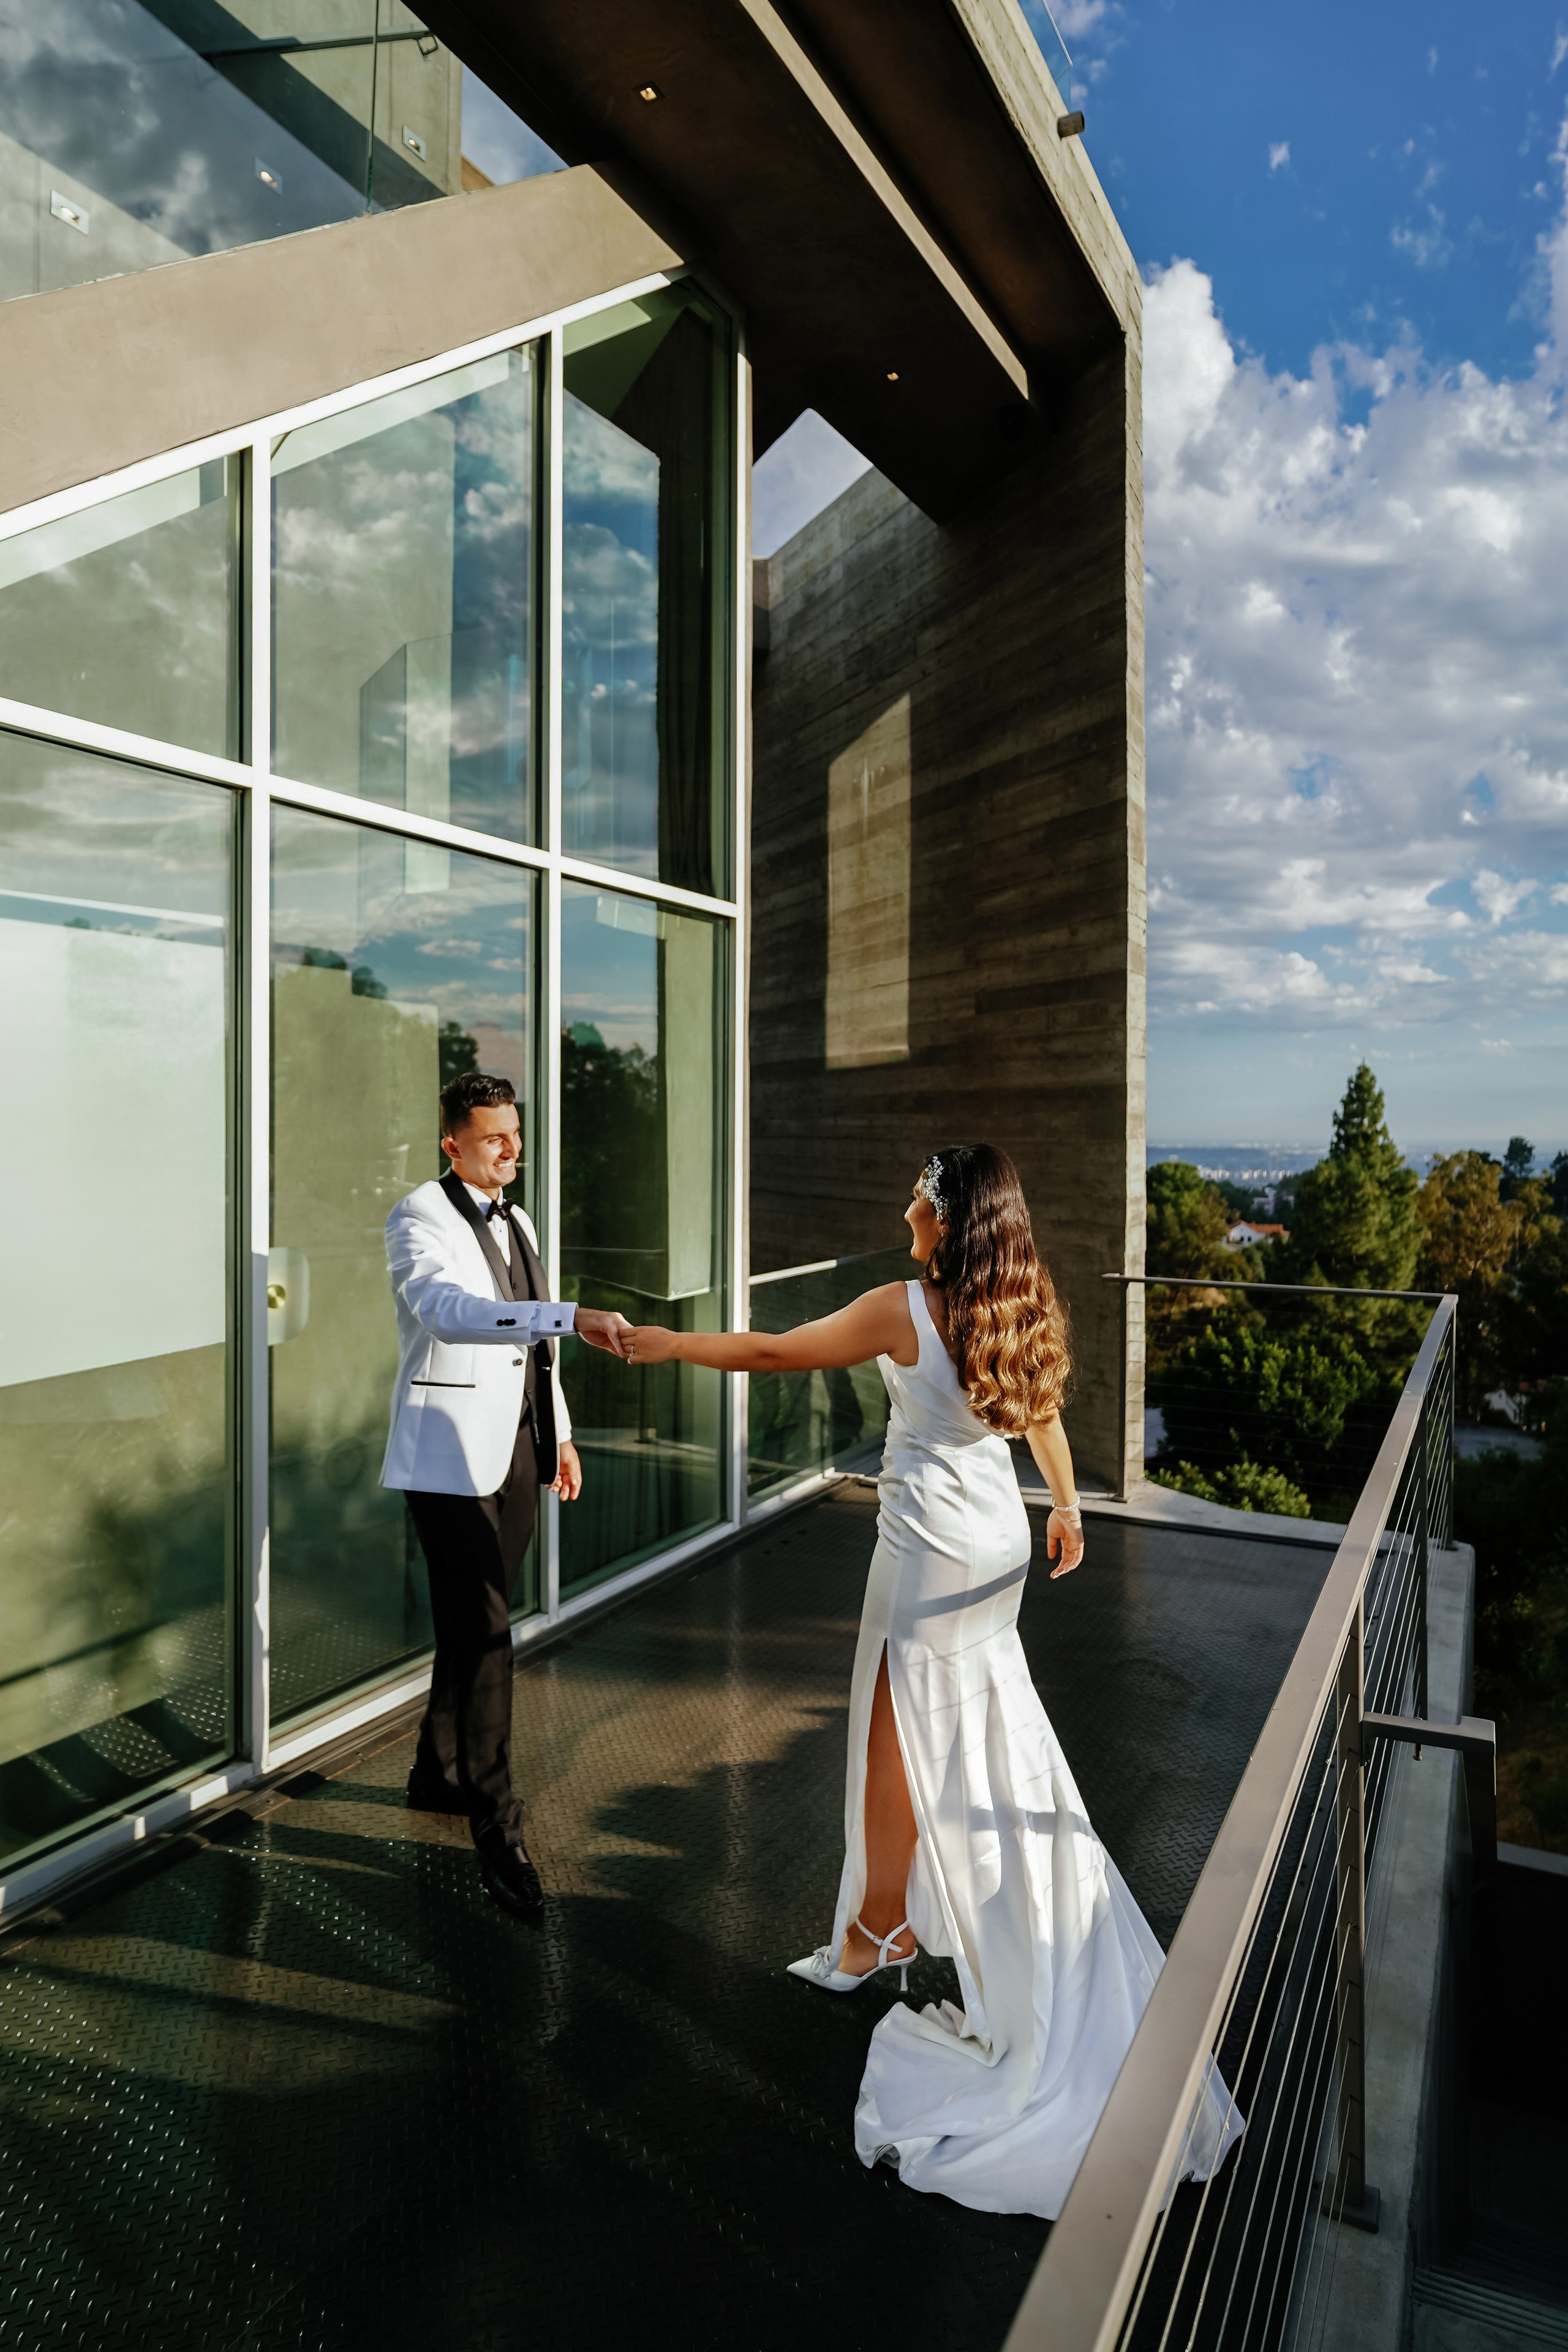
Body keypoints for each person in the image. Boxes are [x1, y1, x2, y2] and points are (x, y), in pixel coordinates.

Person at [623, 1144, 1241, 2217]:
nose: (905, 1201)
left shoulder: (904, 1305)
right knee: (972, 1734)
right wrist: (1067, 1504)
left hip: (926, 1558)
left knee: (894, 1748)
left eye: (920, 1191)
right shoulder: (1010, 1298)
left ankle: (882, 1929)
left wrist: (664, 1341)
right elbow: (1040, 1410)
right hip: (993, 1545)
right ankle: (885, 1923)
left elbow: (774, 1353)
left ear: (947, 1218)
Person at [380, 1071, 630, 1920]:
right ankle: (499, 1831)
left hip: (516, 1450)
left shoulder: (518, 1218)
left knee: (472, 1623)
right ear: (454, 1144)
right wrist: (568, 1315)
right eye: (496, 1139)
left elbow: (532, 1348)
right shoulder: (418, 1216)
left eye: (516, 1135)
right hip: (447, 1461)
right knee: (489, 1633)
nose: (513, 1150)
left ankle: (434, 1774)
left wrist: (556, 1433)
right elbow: (450, 1313)